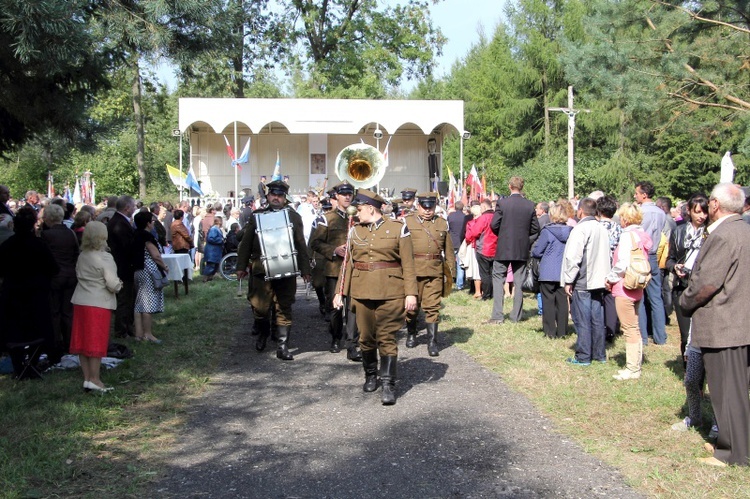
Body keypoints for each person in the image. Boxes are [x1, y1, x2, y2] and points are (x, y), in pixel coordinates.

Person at [678, 183, 750, 467]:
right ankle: (737, 444)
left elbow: (706, 283)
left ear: (715, 204)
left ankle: (733, 453)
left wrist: (684, 302)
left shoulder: (724, 234)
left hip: (725, 324)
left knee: (726, 391)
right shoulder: (744, 229)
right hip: (739, 321)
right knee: (736, 389)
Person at [333, 189, 417, 405]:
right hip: (361, 293)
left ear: (371, 208)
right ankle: (371, 375)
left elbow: (408, 264)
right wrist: (339, 292)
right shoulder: (355, 231)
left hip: (390, 292)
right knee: (366, 338)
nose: (355, 212)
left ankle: (388, 383)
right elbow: (347, 265)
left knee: (387, 337)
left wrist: (411, 293)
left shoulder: (399, 229)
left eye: (359, 209)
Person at [236, 180, 311, 361]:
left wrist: (306, 269)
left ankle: (282, 346)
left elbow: (301, 245)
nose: (276, 198)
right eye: (273, 195)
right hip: (261, 270)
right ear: (268, 196)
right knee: (260, 308)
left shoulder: (294, 217)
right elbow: (245, 244)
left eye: (280, 195)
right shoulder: (257, 216)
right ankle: (263, 332)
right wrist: (241, 267)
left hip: (287, 269)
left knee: (284, 307)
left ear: (285, 198)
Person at [0, 206, 59, 378]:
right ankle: (31, 363)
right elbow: (53, 268)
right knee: (38, 330)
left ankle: (20, 365)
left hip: (13, 294)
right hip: (36, 295)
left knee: (14, 332)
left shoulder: (7, 246)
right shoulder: (39, 245)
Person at [309, 181, 361, 358]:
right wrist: (333, 250)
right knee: (335, 308)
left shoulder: (360, 217)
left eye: (350, 194)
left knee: (353, 308)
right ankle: (336, 337)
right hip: (334, 270)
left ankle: (352, 343)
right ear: (336, 196)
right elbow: (314, 243)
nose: (347, 197)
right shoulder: (326, 218)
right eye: (343, 194)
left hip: (355, 270)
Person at [69, 222, 123, 392]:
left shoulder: (82, 255)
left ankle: (87, 378)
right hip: (98, 303)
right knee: (95, 343)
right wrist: (120, 285)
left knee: (83, 342)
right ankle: (95, 379)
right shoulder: (105, 257)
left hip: (80, 301)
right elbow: (112, 284)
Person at [402, 192, 455, 356]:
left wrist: (450, 272)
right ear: (418, 206)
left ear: (434, 206)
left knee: (433, 307)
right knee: (412, 308)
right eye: (424, 207)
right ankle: (411, 333)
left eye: (430, 207)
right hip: (414, 271)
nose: (427, 210)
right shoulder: (407, 222)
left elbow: (449, 251)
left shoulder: (442, 223)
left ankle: (432, 342)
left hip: (434, 271)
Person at [604, 203, 652, 379]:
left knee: (629, 328)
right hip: (638, 286)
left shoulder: (627, 236)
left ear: (624, 218)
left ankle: (632, 368)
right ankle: (635, 364)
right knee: (634, 326)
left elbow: (622, 263)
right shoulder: (642, 235)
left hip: (625, 285)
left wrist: (610, 278)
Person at [561, 198, 611, 365]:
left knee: (582, 319)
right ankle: (599, 354)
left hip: (583, 280)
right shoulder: (602, 228)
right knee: (597, 319)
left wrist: (569, 280)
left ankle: (583, 356)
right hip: (599, 280)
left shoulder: (580, 229)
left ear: (580, 211)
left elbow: (573, 257)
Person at [487, 176, 540, 324]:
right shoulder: (529, 205)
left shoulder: (502, 203)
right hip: (521, 249)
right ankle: (516, 316)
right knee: (519, 282)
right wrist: (525, 240)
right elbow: (536, 229)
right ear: (521, 187)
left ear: (510, 186)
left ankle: (497, 316)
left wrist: (503, 235)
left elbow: (493, 224)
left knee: (498, 279)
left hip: (504, 247)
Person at [667, 193, 708, 361]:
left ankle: (701, 371)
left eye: (704, 212)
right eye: (697, 212)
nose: (701, 216)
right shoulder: (678, 231)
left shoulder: (711, 232)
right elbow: (670, 259)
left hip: (704, 288)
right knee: (685, 334)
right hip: (682, 287)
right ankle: (688, 370)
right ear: (689, 211)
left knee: (702, 335)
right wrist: (674, 266)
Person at [40, 204, 80, 355]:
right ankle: (70, 342)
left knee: (54, 312)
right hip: (70, 274)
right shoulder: (70, 233)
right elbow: (76, 253)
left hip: (54, 276)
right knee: (68, 312)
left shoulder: (47, 235)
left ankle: (55, 343)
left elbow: (44, 257)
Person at [531, 204, 572, 338]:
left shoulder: (547, 231)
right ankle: (562, 331)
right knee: (562, 302)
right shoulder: (571, 231)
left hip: (548, 271)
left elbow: (537, 251)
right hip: (564, 272)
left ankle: (549, 331)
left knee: (548, 301)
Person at [634, 181, 667, 345]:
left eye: (637, 193)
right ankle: (660, 336)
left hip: (641, 254)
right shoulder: (661, 213)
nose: (635, 196)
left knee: (639, 296)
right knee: (656, 298)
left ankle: (643, 336)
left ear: (644, 194)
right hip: (654, 255)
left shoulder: (640, 212)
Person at [131, 211, 168, 344]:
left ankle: (138, 333)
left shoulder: (134, 234)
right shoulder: (147, 236)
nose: (153, 223)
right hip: (149, 270)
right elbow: (155, 255)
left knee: (139, 302)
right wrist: (164, 267)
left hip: (138, 270)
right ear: (147, 223)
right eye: (152, 221)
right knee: (148, 303)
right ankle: (148, 334)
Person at [108, 195, 136, 338]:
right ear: (127, 208)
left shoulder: (119, 221)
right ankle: (122, 329)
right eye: (134, 206)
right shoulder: (119, 223)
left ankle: (128, 327)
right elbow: (126, 247)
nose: (135, 208)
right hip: (123, 267)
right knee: (124, 300)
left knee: (128, 299)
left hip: (123, 266)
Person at [597, 195, 622, 341]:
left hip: (599, 265)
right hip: (614, 266)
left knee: (597, 298)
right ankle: (611, 330)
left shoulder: (597, 227)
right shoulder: (619, 228)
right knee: (610, 299)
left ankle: (599, 327)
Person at [465, 199, 496, 300]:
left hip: (484, 249)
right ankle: (494, 293)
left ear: (483, 207)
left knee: (484, 273)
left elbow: (474, 232)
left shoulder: (483, 218)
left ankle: (487, 295)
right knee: (493, 273)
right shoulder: (497, 216)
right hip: (496, 249)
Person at [447, 201, 470, 290]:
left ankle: (452, 280)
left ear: (455, 207)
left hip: (452, 241)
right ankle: (460, 284)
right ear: (462, 208)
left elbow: (448, 228)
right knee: (461, 264)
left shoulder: (450, 216)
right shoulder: (465, 217)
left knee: (452, 262)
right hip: (461, 242)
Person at [202, 217, 224, 282]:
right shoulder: (214, 229)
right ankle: (205, 278)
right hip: (212, 251)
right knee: (211, 265)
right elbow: (210, 239)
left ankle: (210, 277)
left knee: (215, 265)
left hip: (215, 250)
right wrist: (221, 240)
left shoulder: (217, 229)